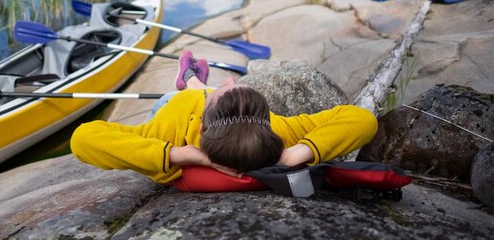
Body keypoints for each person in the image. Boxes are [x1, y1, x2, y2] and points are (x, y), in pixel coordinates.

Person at [71, 51, 378, 183]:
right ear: (266, 119)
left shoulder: (166, 135)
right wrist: (296, 153)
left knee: (185, 94)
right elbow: (361, 119)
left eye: (228, 87)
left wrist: (177, 154)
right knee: (215, 94)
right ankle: (195, 80)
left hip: (175, 105)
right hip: (225, 117)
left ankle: (191, 82)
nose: (229, 81)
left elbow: (83, 139)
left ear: (203, 123)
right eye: (232, 85)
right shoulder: (281, 130)